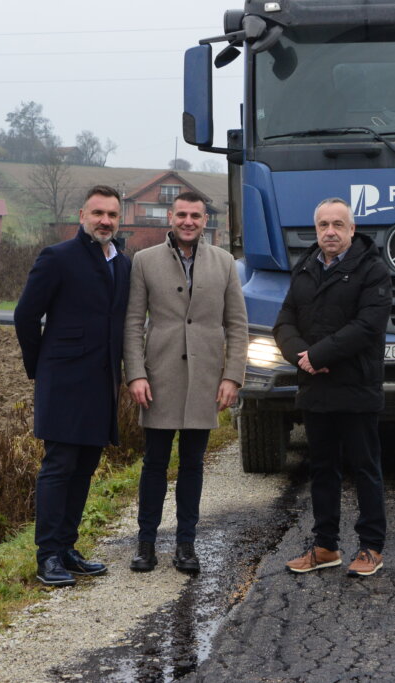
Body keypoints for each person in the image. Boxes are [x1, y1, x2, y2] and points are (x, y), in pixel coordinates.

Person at [124, 191, 248, 574]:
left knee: (193, 464)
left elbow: (237, 325)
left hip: (205, 381)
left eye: (196, 215)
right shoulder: (144, 261)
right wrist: (136, 373)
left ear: (205, 220)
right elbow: (133, 323)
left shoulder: (225, 263)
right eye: (182, 215)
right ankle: (146, 544)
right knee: (154, 464)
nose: (188, 221)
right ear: (171, 218)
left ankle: (186, 545)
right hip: (158, 379)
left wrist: (232, 377)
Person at [14, 185, 131, 587]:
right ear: (82, 215)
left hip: (102, 383)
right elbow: (25, 316)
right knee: (59, 466)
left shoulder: (122, 264)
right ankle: (47, 556)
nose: (105, 221)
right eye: (98, 213)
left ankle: (66, 548)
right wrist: (41, 367)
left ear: (119, 219)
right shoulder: (57, 257)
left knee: (84, 467)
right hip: (63, 381)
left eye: (112, 215)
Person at [274, 197, 392, 578]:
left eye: (338, 224)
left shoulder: (373, 270)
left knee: (365, 469)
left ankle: (371, 547)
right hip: (316, 388)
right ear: (316, 229)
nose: (330, 232)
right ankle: (325, 547)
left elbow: (368, 326)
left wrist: (319, 354)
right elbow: (284, 322)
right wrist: (302, 357)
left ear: (352, 230)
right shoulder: (305, 268)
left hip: (356, 387)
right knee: (322, 470)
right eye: (323, 225)